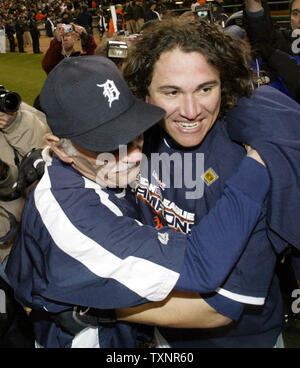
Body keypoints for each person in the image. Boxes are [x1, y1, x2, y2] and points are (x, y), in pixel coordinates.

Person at [5, 55, 270, 348]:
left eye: (132, 131)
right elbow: (204, 274)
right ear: (60, 149)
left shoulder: (93, 168)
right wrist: (257, 167)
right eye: (106, 144)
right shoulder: (73, 218)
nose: (132, 156)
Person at [121, 17, 300, 347]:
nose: (191, 111)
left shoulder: (248, 164)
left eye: (205, 88)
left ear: (225, 84)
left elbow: (219, 309)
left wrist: (96, 307)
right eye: (171, 92)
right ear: (144, 93)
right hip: (165, 332)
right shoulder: (136, 140)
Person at [0, 91, 50, 347]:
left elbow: (40, 163)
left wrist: (14, 125)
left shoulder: (20, 113)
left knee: (15, 320)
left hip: (13, 244)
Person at [243, 0, 300, 102]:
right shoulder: (282, 42)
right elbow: (260, 34)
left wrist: (278, 58)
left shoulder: (275, 54)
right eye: (295, 13)